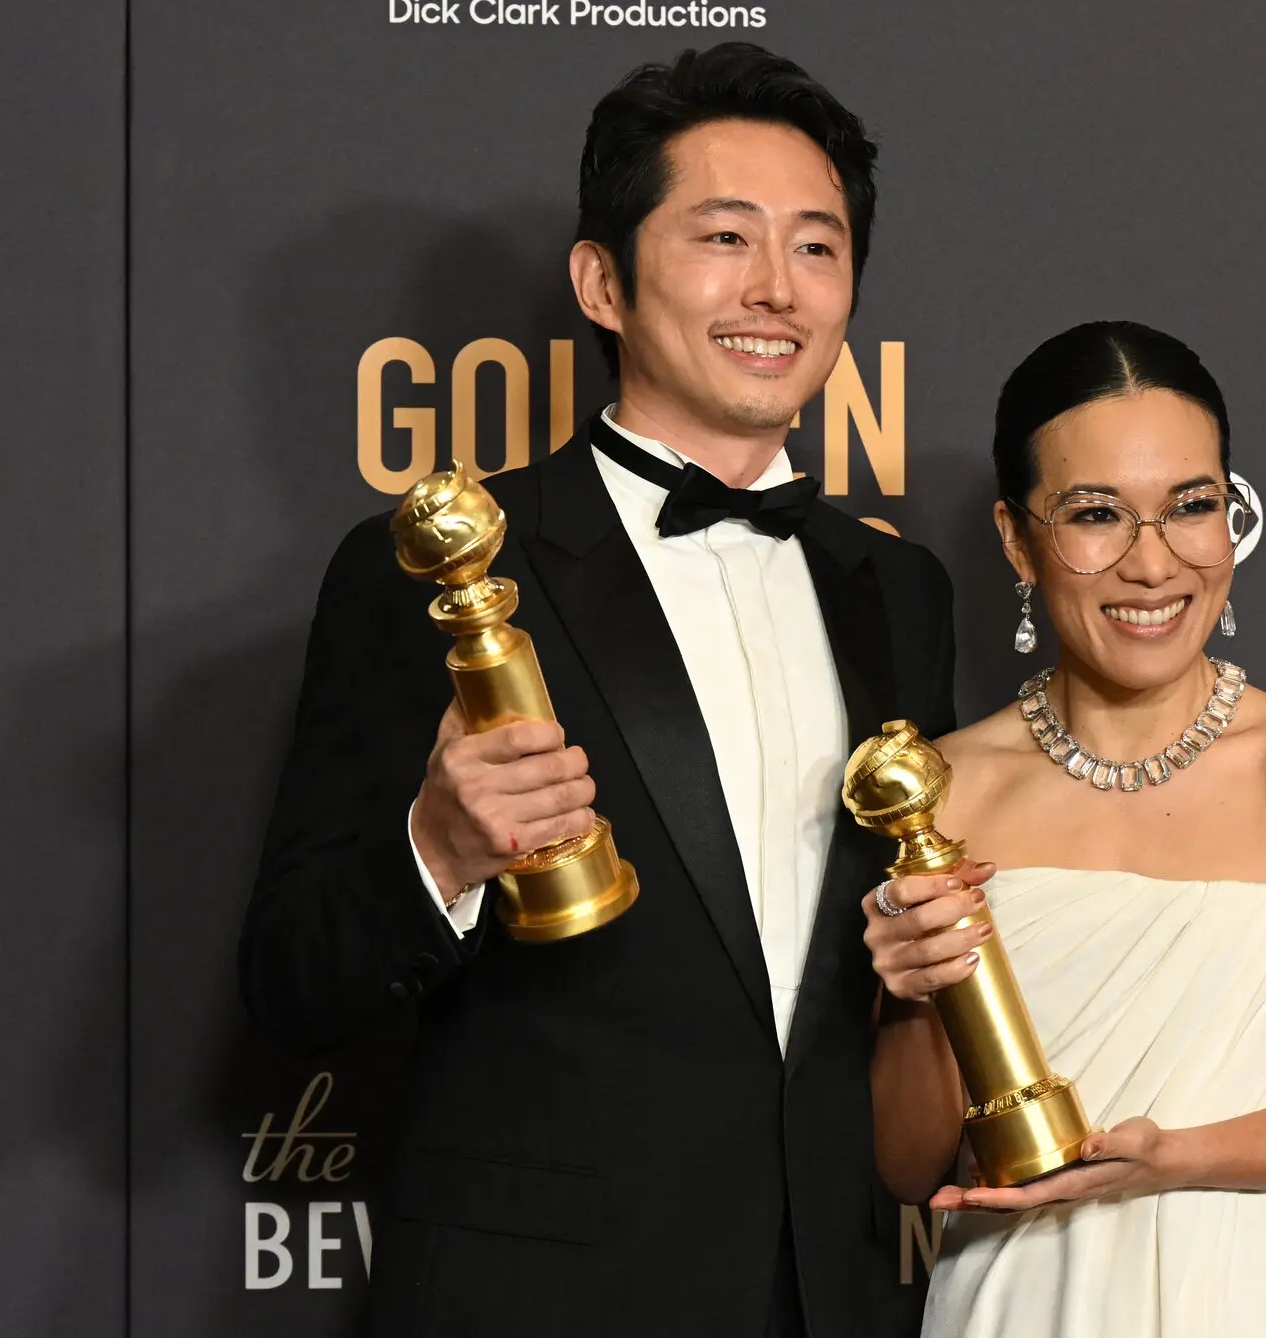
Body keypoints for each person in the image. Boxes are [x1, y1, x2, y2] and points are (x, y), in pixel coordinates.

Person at [240, 44, 954, 1338]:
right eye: (724, 237)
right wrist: (439, 850)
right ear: (601, 281)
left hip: (832, 1293)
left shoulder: (900, 593)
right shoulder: (443, 562)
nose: (774, 291)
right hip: (543, 1298)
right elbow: (294, 979)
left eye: (817, 247)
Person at [861, 321, 1266, 1337]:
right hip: (1016, 1307)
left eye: (1191, 507)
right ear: (1017, 540)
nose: (1153, 563)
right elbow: (909, 1165)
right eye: (1096, 514)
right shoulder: (941, 788)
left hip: (1260, 1301)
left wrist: (1167, 1159)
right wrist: (917, 993)